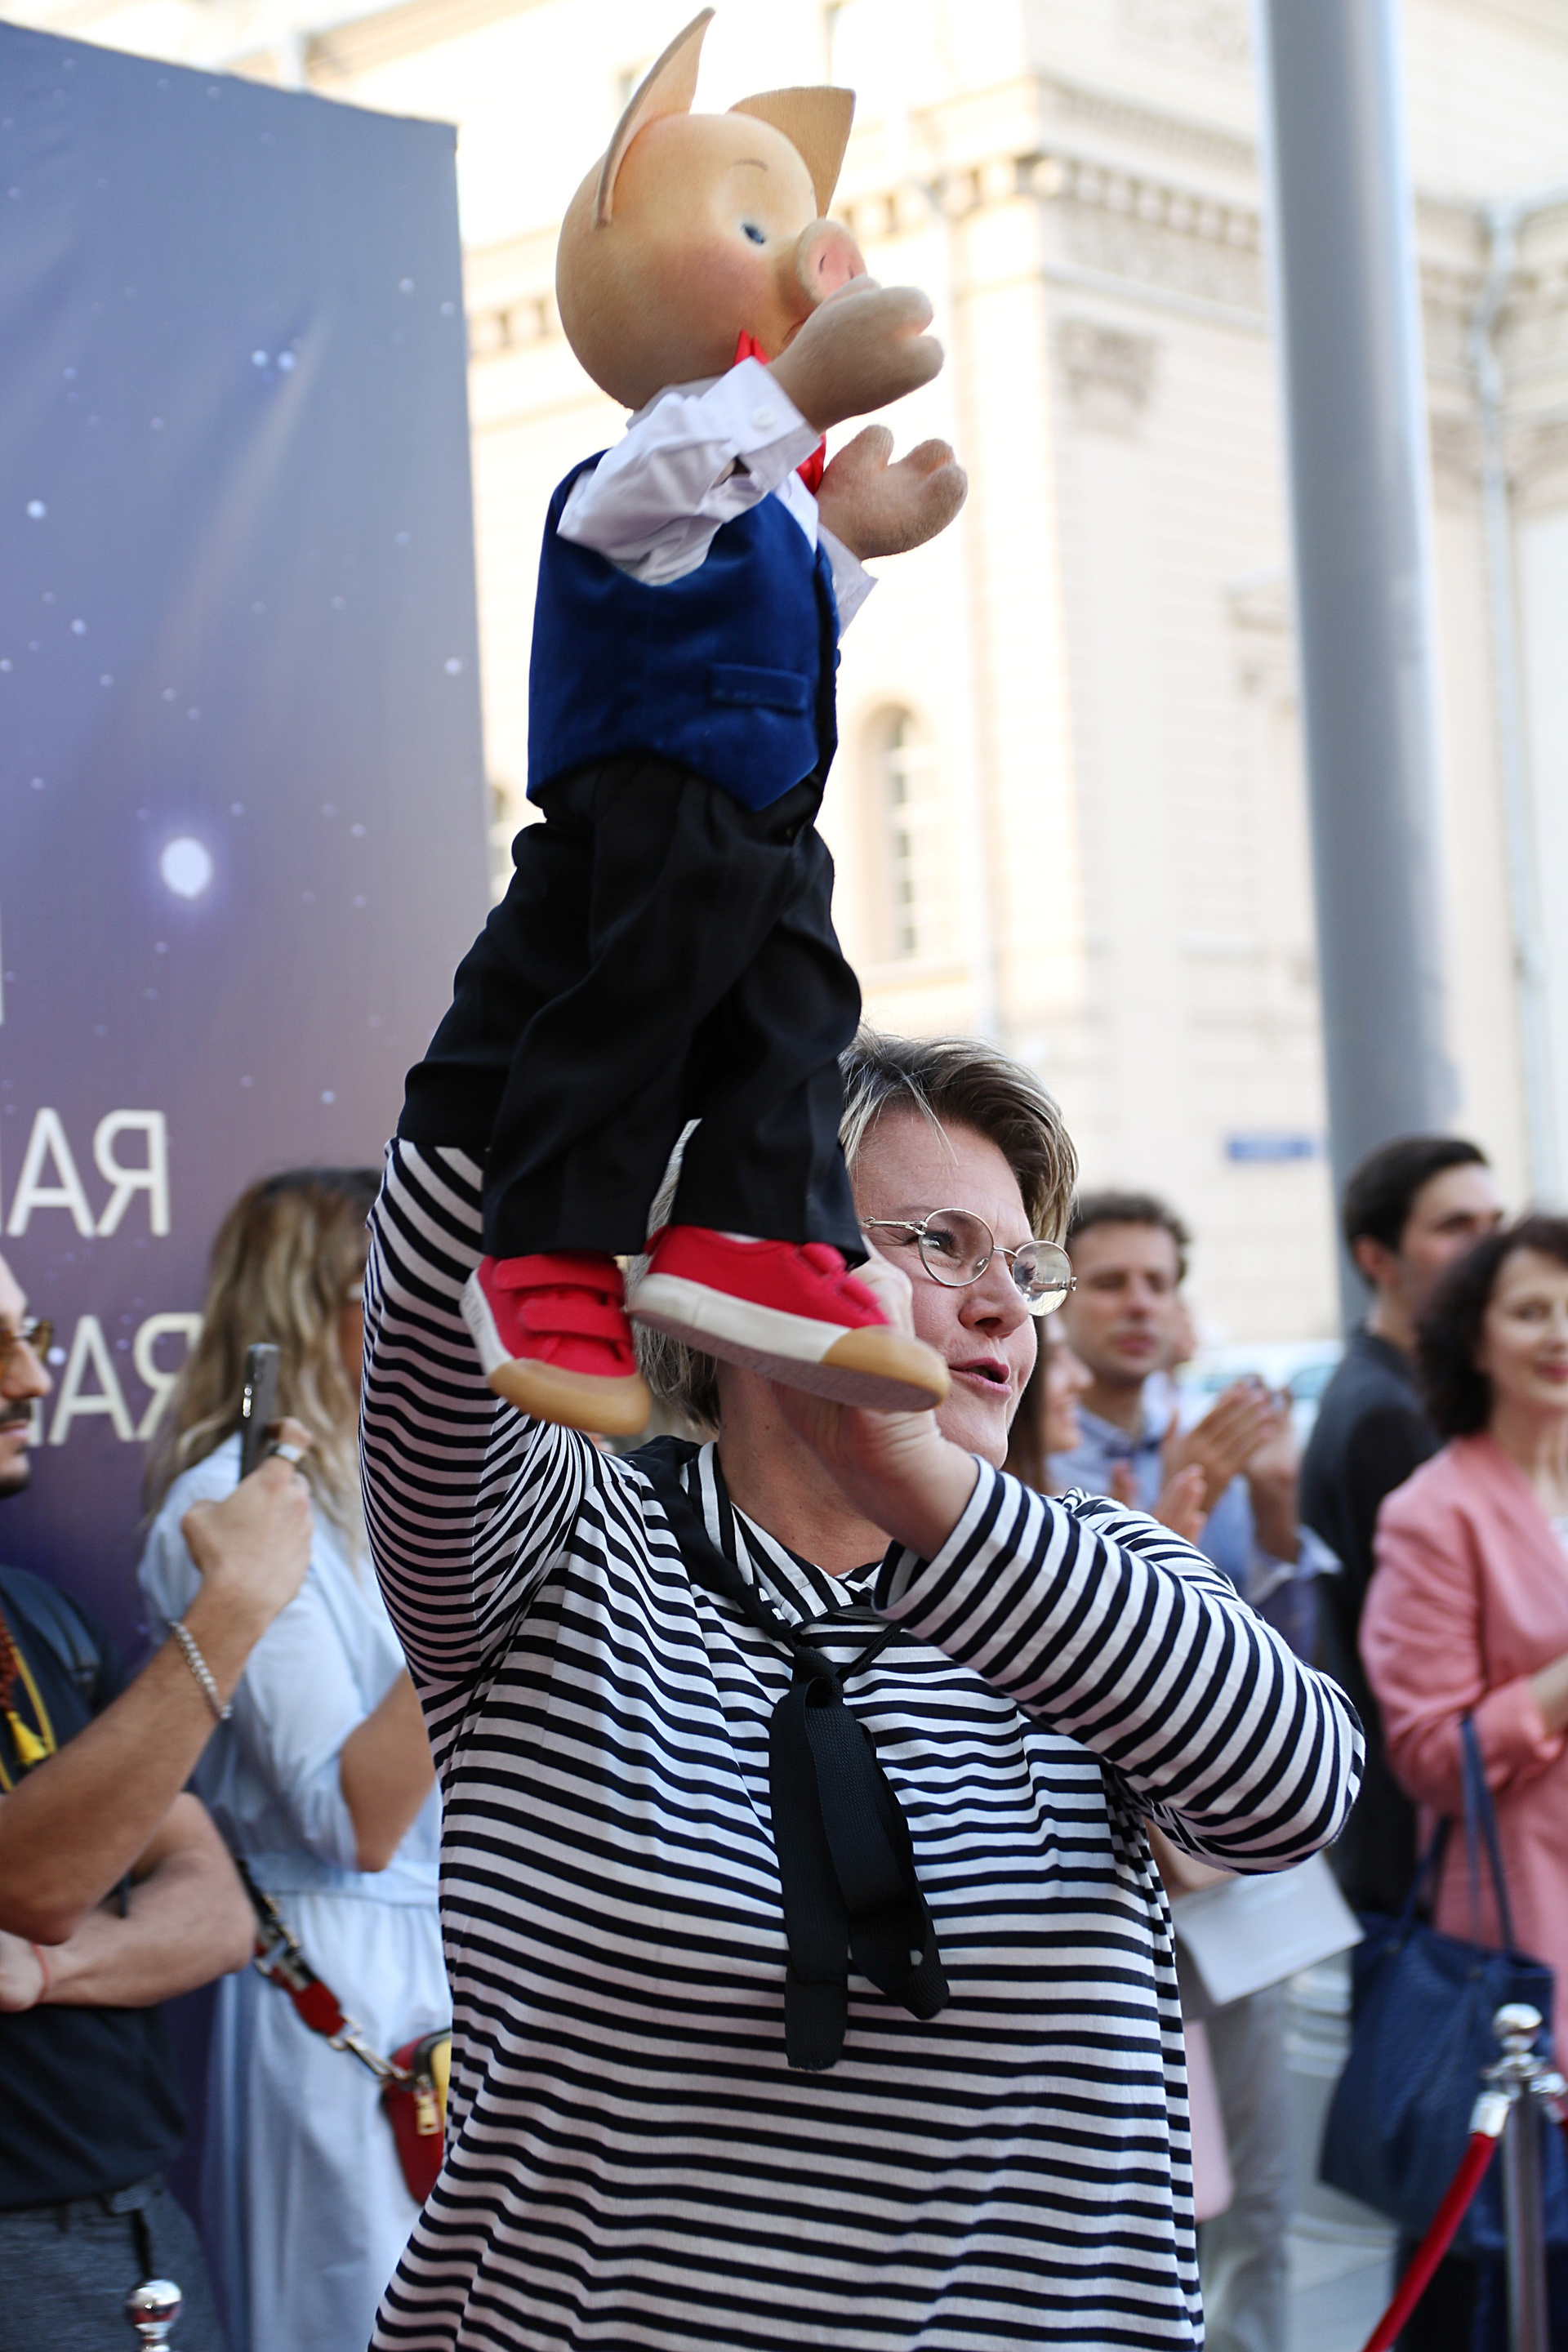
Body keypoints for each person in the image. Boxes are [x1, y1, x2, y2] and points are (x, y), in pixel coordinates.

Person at [362, 1027, 1361, 2352]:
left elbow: (1295, 1796)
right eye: (940, 1245)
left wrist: (918, 1483)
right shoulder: (569, 1551)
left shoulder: (1095, 1573)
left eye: (1023, 1266)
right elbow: (444, 1293)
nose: (1004, 1307)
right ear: (750, 1266)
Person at [137, 1167, 448, 2352]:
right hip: (333, 1981)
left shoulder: (390, 1484)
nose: (443, 1320)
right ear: (315, 1303)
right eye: (405, 1288)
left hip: (459, 1960)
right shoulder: (228, 1505)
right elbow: (352, 1818)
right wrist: (483, 1588)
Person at [0, 1244, 316, 2348]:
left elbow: (213, 1907)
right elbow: (37, 1881)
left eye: (31, 1337)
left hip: (138, 2227)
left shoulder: (37, 1611)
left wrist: (48, 1971)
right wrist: (235, 1606)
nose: (33, 1378)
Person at [1052, 1188, 1337, 2352]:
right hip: (1081, 1881)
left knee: (1260, 2187)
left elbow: (1297, 1673)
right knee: (1120, 2197)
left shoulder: (1223, 1438)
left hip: (1225, 1881)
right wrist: (1161, 1529)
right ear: (1061, 1298)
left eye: (1158, 1283)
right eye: (1112, 1281)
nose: (1139, 1305)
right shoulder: (1025, 1448)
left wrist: (1272, 1511)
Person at [1361, 1215, 1568, 2352]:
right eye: (1533, 1310)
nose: (1561, 1333)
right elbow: (1427, 1756)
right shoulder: (1434, 1510)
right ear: (1477, 1339)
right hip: (1525, 1940)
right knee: (1505, 2277)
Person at [1301, 1135, 1501, 1915]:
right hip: (1427, 1838)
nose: (1488, 1248)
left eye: (1493, 1223)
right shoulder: (1387, 1414)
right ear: (1377, 1258)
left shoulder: (1403, 1393)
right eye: (1455, 1227)